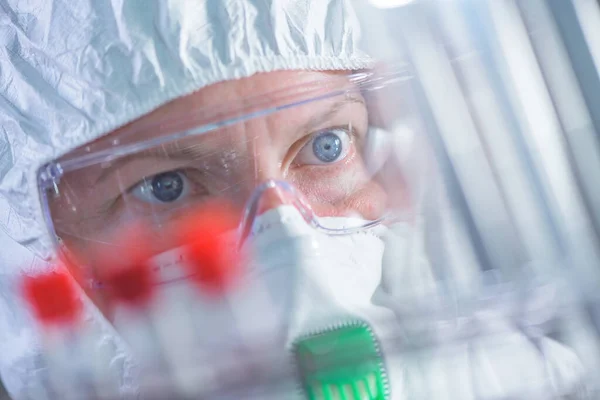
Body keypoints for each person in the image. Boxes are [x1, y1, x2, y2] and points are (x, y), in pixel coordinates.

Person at [0, 0, 589, 399]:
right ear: (24, 239)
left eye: (326, 146)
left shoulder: (532, 381)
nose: (289, 239)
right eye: (167, 186)